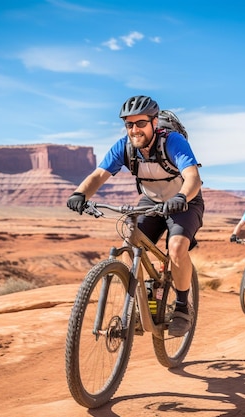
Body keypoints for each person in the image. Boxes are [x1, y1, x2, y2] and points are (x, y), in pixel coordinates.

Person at [66, 95, 205, 337]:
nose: (134, 129)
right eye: (129, 124)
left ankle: (182, 307)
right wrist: (80, 194)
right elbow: (98, 175)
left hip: (184, 202)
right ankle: (147, 293)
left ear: (154, 123)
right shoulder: (124, 147)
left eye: (140, 123)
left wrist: (181, 198)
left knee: (176, 247)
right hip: (151, 202)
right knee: (130, 241)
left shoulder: (172, 142)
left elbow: (192, 176)